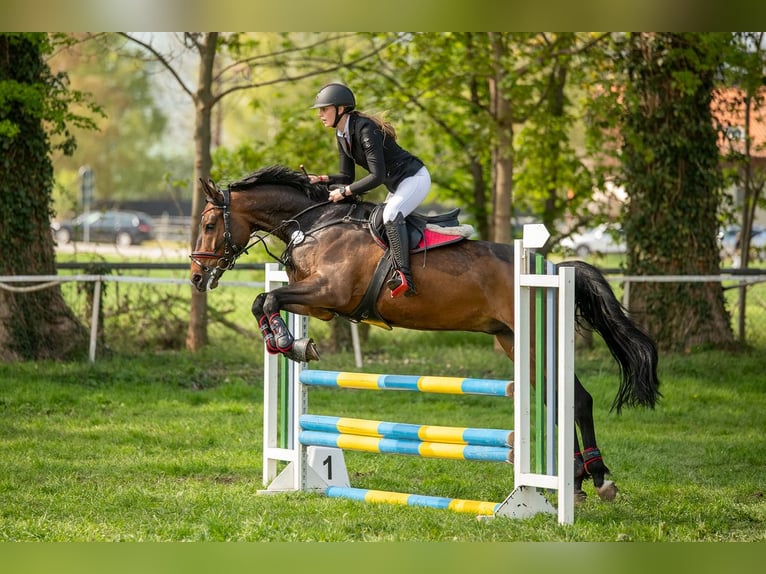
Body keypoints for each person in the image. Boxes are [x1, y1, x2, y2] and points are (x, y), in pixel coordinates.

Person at [307, 83, 430, 298]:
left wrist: (343, 192)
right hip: (399, 184)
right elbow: (347, 177)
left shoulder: (365, 129)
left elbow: (377, 177)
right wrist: (321, 179)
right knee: (379, 220)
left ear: (340, 109)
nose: (320, 114)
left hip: (415, 178)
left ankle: (405, 277)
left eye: (324, 109)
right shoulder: (341, 134)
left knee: (391, 215)